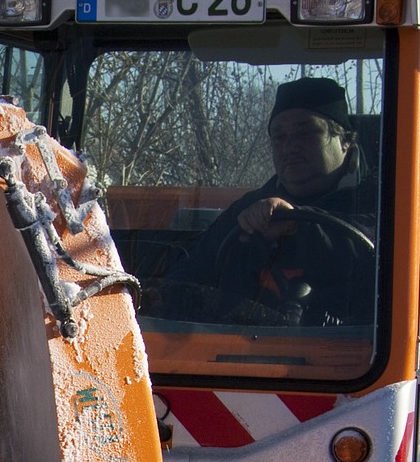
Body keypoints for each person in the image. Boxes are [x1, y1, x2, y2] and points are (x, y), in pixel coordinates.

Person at [161, 76, 379, 327]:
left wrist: (298, 223)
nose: (289, 147)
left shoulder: (393, 202)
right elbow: (188, 278)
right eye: (279, 137)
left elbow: (394, 268)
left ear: (345, 141)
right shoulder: (248, 211)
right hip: (249, 355)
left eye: (305, 132)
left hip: (360, 358)